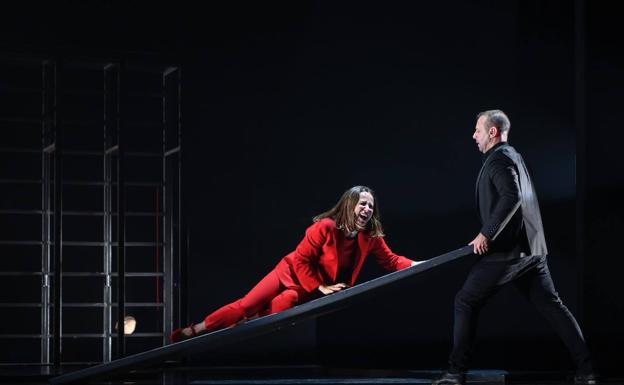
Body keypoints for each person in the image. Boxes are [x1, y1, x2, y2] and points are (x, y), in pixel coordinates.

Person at [432, 110, 597, 385]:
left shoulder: (499, 160)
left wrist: (486, 233)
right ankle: (587, 371)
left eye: (477, 130)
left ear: (492, 132)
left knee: (465, 300)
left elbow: (512, 196)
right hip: (532, 251)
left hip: (507, 252)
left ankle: (455, 372)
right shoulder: (514, 156)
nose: (474, 135)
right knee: (553, 306)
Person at [171, 185, 421, 343]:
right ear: (349, 205)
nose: (367, 209)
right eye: (363, 204)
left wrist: (417, 264)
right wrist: (321, 288)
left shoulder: (369, 237)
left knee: (281, 309)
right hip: (289, 272)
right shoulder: (324, 228)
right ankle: (193, 331)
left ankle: (251, 318)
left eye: (371, 206)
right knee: (244, 306)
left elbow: (391, 260)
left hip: (305, 288)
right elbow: (301, 259)